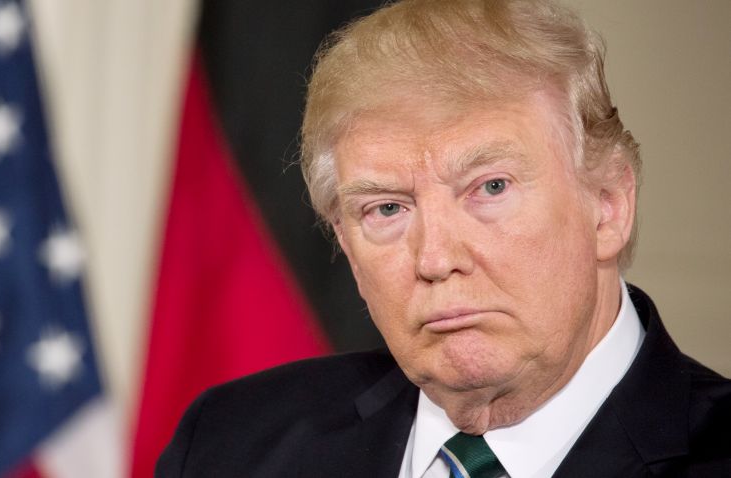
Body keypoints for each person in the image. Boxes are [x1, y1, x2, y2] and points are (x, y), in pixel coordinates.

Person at [157, 0, 731, 476]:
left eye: (490, 188)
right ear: (347, 247)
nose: (435, 259)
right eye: (386, 207)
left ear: (608, 207)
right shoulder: (230, 446)